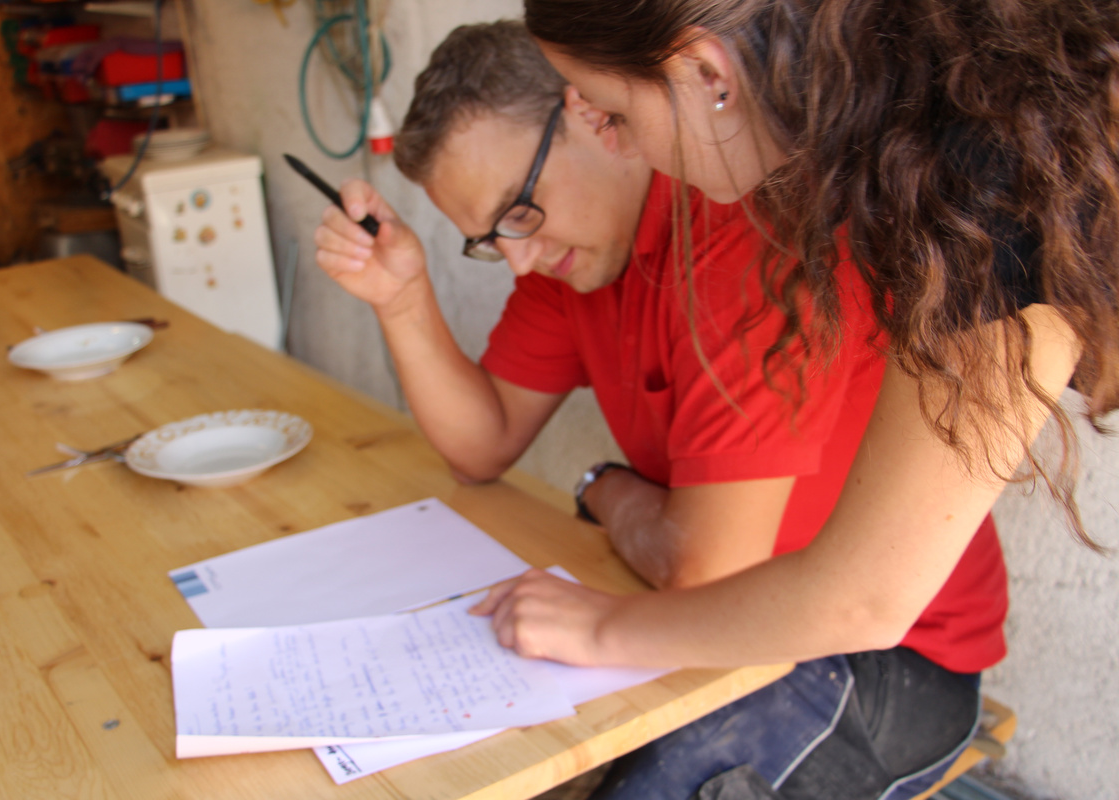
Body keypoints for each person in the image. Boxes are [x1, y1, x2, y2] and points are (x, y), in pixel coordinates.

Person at [315, 20, 1010, 800]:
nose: (518, 257)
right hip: (710, 621)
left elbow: (703, 567)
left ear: (592, 115)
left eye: (519, 211)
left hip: (886, 660)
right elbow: (482, 446)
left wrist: (606, 490)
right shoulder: (568, 257)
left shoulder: (743, 244)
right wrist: (403, 299)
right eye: (487, 239)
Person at [464, 2, 1118, 797]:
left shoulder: (985, 185)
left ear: (707, 74)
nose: (613, 141)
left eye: (612, 113)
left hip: (889, 659)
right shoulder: (891, 158)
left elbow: (866, 599)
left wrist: (602, 626)